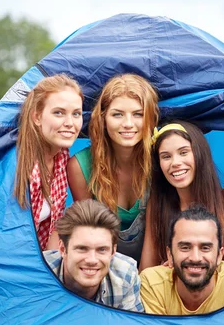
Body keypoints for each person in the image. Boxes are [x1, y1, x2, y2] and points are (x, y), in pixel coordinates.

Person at [67, 74, 159, 264]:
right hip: (102, 263)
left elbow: (154, 235)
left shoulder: (160, 160)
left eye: (138, 114)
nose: (128, 124)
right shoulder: (80, 166)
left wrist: (145, 284)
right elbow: (88, 232)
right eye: (117, 114)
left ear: (150, 118)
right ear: (103, 118)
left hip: (156, 261)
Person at [140, 121, 224, 271]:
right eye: (166, 156)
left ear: (200, 154)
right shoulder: (157, 206)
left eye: (183, 152)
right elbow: (145, 274)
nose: (175, 163)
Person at [14, 74, 84, 251]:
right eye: (58, 113)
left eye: (76, 114)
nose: (70, 123)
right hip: (10, 260)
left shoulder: (61, 157)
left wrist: (50, 270)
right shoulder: (20, 165)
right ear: (37, 117)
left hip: (38, 260)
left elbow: (54, 226)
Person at [140, 205, 224, 315]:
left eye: (205, 248)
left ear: (219, 256)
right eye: (185, 247)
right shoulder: (152, 284)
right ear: (170, 255)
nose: (195, 258)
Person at [43, 199, 144, 312]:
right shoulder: (38, 274)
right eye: (82, 249)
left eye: (101, 250)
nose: (92, 260)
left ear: (113, 251)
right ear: (62, 249)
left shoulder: (125, 275)